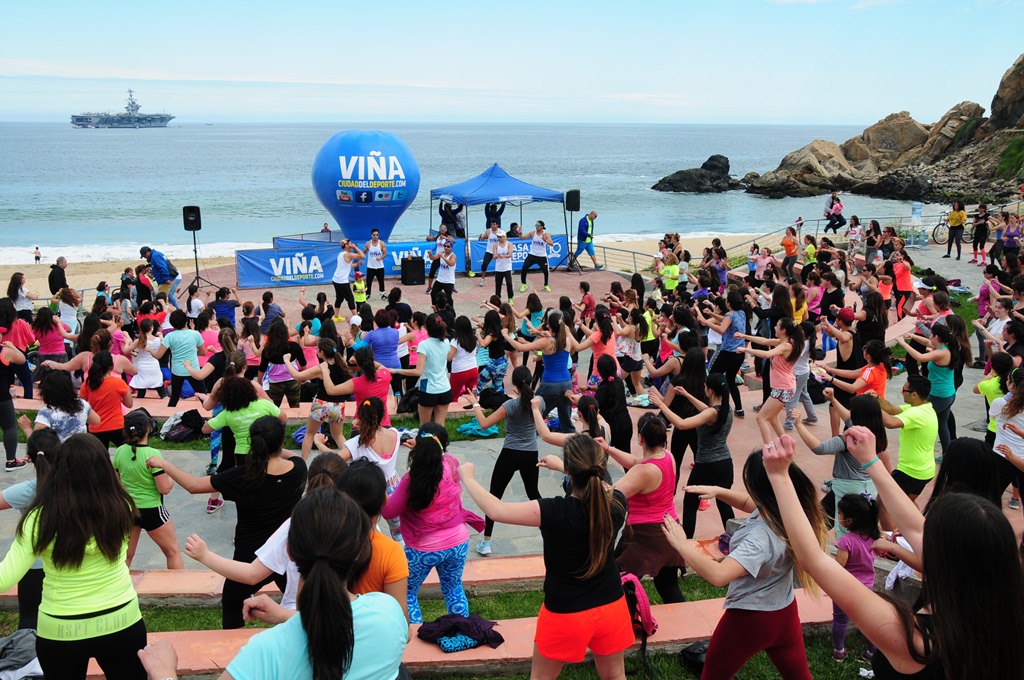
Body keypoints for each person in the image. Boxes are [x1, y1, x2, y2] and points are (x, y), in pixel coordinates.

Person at [762, 428, 1024, 679]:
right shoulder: (1007, 620)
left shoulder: (917, 641)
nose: (921, 538)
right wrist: (871, 461)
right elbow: (915, 529)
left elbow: (814, 561)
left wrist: (779, 477)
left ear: (940, 559)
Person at [142, 488, 408, 680]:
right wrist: (285, 615)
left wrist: (165, 673)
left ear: (289, 552)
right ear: (361, 552)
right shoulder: (389, 614)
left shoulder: (265, 652)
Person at [460, 435, 632, 680]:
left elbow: (496, 510)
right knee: (615, 676)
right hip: (611, 605)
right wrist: (567, 468)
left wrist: (467, 477)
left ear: (572, 473)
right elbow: (598, 483)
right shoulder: (617, 502)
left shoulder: (553, 510)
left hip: (565, 612)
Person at [662, 449, 827, 680]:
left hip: (750, 618)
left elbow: (719, 575)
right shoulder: (788, 512)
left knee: (712, 676)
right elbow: (751, 504)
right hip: (784, 612)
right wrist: (719, 491)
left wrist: (682, 544)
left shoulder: (761, 539)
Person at [0, 433, 148, 678]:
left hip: (60, 628)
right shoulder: (122, 507)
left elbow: (4, 580)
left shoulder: (39, 519)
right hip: (122, 619)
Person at [150, 416, 305, 629]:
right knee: (300, 607)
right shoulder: (299, 469)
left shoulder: (243, 476)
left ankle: (232, 649)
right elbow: (290, 455)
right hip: (287, 553)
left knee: (233, 603)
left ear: (253, 443)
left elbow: (194, 486)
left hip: (249, 558)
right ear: (281, 442)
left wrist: (164, 464)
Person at [383, 425, 474, 623]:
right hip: (458, 540)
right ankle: (463, 630)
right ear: (444, 446)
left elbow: (389, 512)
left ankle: (414, 641)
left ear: (418, 445)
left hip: (423, 548)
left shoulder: (411, 479)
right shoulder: (451, 464)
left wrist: (383, 495)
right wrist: (425, 451)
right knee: (453, 588)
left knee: (407, 592)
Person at [465, 367, 543, 555]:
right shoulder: (539, 402)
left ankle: (486, 542)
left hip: (510, 453)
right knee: (534, 493)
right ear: (531, 381)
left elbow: (484, 424)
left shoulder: (510, 406)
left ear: (514, 384)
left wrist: (475, 404)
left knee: (494, 496)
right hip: (531, 453)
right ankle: (551, 532)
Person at [649, 373, 736, 539]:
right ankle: (736, 540)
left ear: (710, 391)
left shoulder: (712, 413)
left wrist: (661, 404)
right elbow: (707, 410)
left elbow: (681, 425)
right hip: (725, 464)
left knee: (690, 502)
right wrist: (688, 395)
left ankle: (687, 542)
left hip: (707, 465)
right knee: (724, 503)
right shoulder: (726, 409)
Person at [0, 428, 57, 629]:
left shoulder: (29, 489)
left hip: (33, 566)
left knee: (29, 621)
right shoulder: (72, 484)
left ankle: (27, 658)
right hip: (64, 562)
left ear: (30, 459)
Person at [113, 411, 183, 569]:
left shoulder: (119, 451)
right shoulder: (153, 454)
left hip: (128, 508)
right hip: (152, 510)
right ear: (148, 429)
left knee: (126, 556)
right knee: (172, 551)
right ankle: (176, 587)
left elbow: (116, 482)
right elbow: (164, 488)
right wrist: (170, 479)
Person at [830, 493, 880, 662]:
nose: (838, 516)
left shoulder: (846, 542)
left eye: (840, 513)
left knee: (840, 619)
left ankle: (839, 651)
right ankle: (872, 653)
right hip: (867, 588)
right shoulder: (873, 537)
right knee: (867, 622)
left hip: (845, 588)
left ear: (849, 521)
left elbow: (839, 567)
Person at [875, 375, 937, 500]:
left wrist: (872, 404)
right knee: (907, 503)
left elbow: (890, 423)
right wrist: (877, 398)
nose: (901, 393)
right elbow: (891, 409)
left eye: (904, 390)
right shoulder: (923, 407)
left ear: (914, 395)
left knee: (883, 502)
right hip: (925, 470)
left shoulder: (917, 413)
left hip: (910, 472)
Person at [393, 314, 452, 426]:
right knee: (440, 425)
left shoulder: (424, 345)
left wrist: (397, 371)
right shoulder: (446, 342)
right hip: (445, 388)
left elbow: (418, 371)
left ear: (427, 327)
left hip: (428, 389)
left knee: (424, 426)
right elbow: (438, 354)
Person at [150, 309, 206, 407]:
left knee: (174, 398)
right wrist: (192, 354)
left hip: (177, 371)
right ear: (186, 321)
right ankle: (211, 417)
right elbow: (203, 352)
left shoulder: (169, 336)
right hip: (193, 370)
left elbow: (158, 355)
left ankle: (169, 417)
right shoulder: (195, 334)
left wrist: (150, 350)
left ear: (172, 324)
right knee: (203, 396)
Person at [24, 371, 98, 442]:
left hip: (58, 453)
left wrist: (27, 428)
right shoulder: (82, 404)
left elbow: (35, 442)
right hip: (82, 451)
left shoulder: (46, 412)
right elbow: (96, 420)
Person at [79, 351, 133, 449]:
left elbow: (81, 403)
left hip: (95, 427)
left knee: (101, 458)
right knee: (129, 451)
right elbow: (129, 404)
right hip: (116, 425)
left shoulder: (88, 383)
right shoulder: (119, 383)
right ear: (112, 366)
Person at [331, 238, 364, 318]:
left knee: (339, 298)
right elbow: (363, 255)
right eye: (350, 243)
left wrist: (357, 264)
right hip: (342, 281)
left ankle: (336, 316)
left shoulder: (341, 254)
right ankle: (356, 318)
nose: (352, 244)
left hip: (335, 279)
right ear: (346, 245)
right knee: (350, 299)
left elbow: (348, 266)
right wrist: (355, 247)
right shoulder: (348, 255)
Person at [140, 246, 181, 310]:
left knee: (160, 299)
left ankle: (166, 314)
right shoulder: (156, 254)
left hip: (164, 281)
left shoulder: (155, 256)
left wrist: (165, 279)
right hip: (163, 280)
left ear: (147, 253)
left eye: (144, 256)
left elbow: (163, 267)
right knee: (164, 298)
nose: (145, 258)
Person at [520, 220, 554, 292]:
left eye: (538, 225)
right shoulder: (533, 233)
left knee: (545, 271)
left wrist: (545, 240)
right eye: (536, 225)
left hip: (542, 256)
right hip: (532, 255)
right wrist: (519, 233)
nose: (537, 227)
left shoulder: (546, 234)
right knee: (524, 268)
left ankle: (546, 285)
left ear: (542, 227)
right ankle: (523, 284)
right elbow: (522, 238)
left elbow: (552, 244)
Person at [364, 228, 388, 300]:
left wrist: (381, 258)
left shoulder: (381, 243)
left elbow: (385, 253)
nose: (375, 236)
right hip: (370, 267)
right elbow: (364, 252)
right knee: (368, 281)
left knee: (381, 281)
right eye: (374, 235)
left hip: (380, 266)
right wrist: (363, 253)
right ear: (371, 235)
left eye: (377, 235)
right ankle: (368, 294)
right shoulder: (368, 243)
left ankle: (382, 293)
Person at [491, 230, 515, 300]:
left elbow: (510, 254)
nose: (499, 238)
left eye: (500, 237)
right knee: (498, 284)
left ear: (504, 237)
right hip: (499, 267)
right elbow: (494, 255)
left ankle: (510, 298)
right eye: (498, 237)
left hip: (507, 267)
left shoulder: (509, 244)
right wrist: (495, 256)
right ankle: (498, 298)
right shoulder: (495, 245)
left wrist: (502, 256)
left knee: (509, 283)